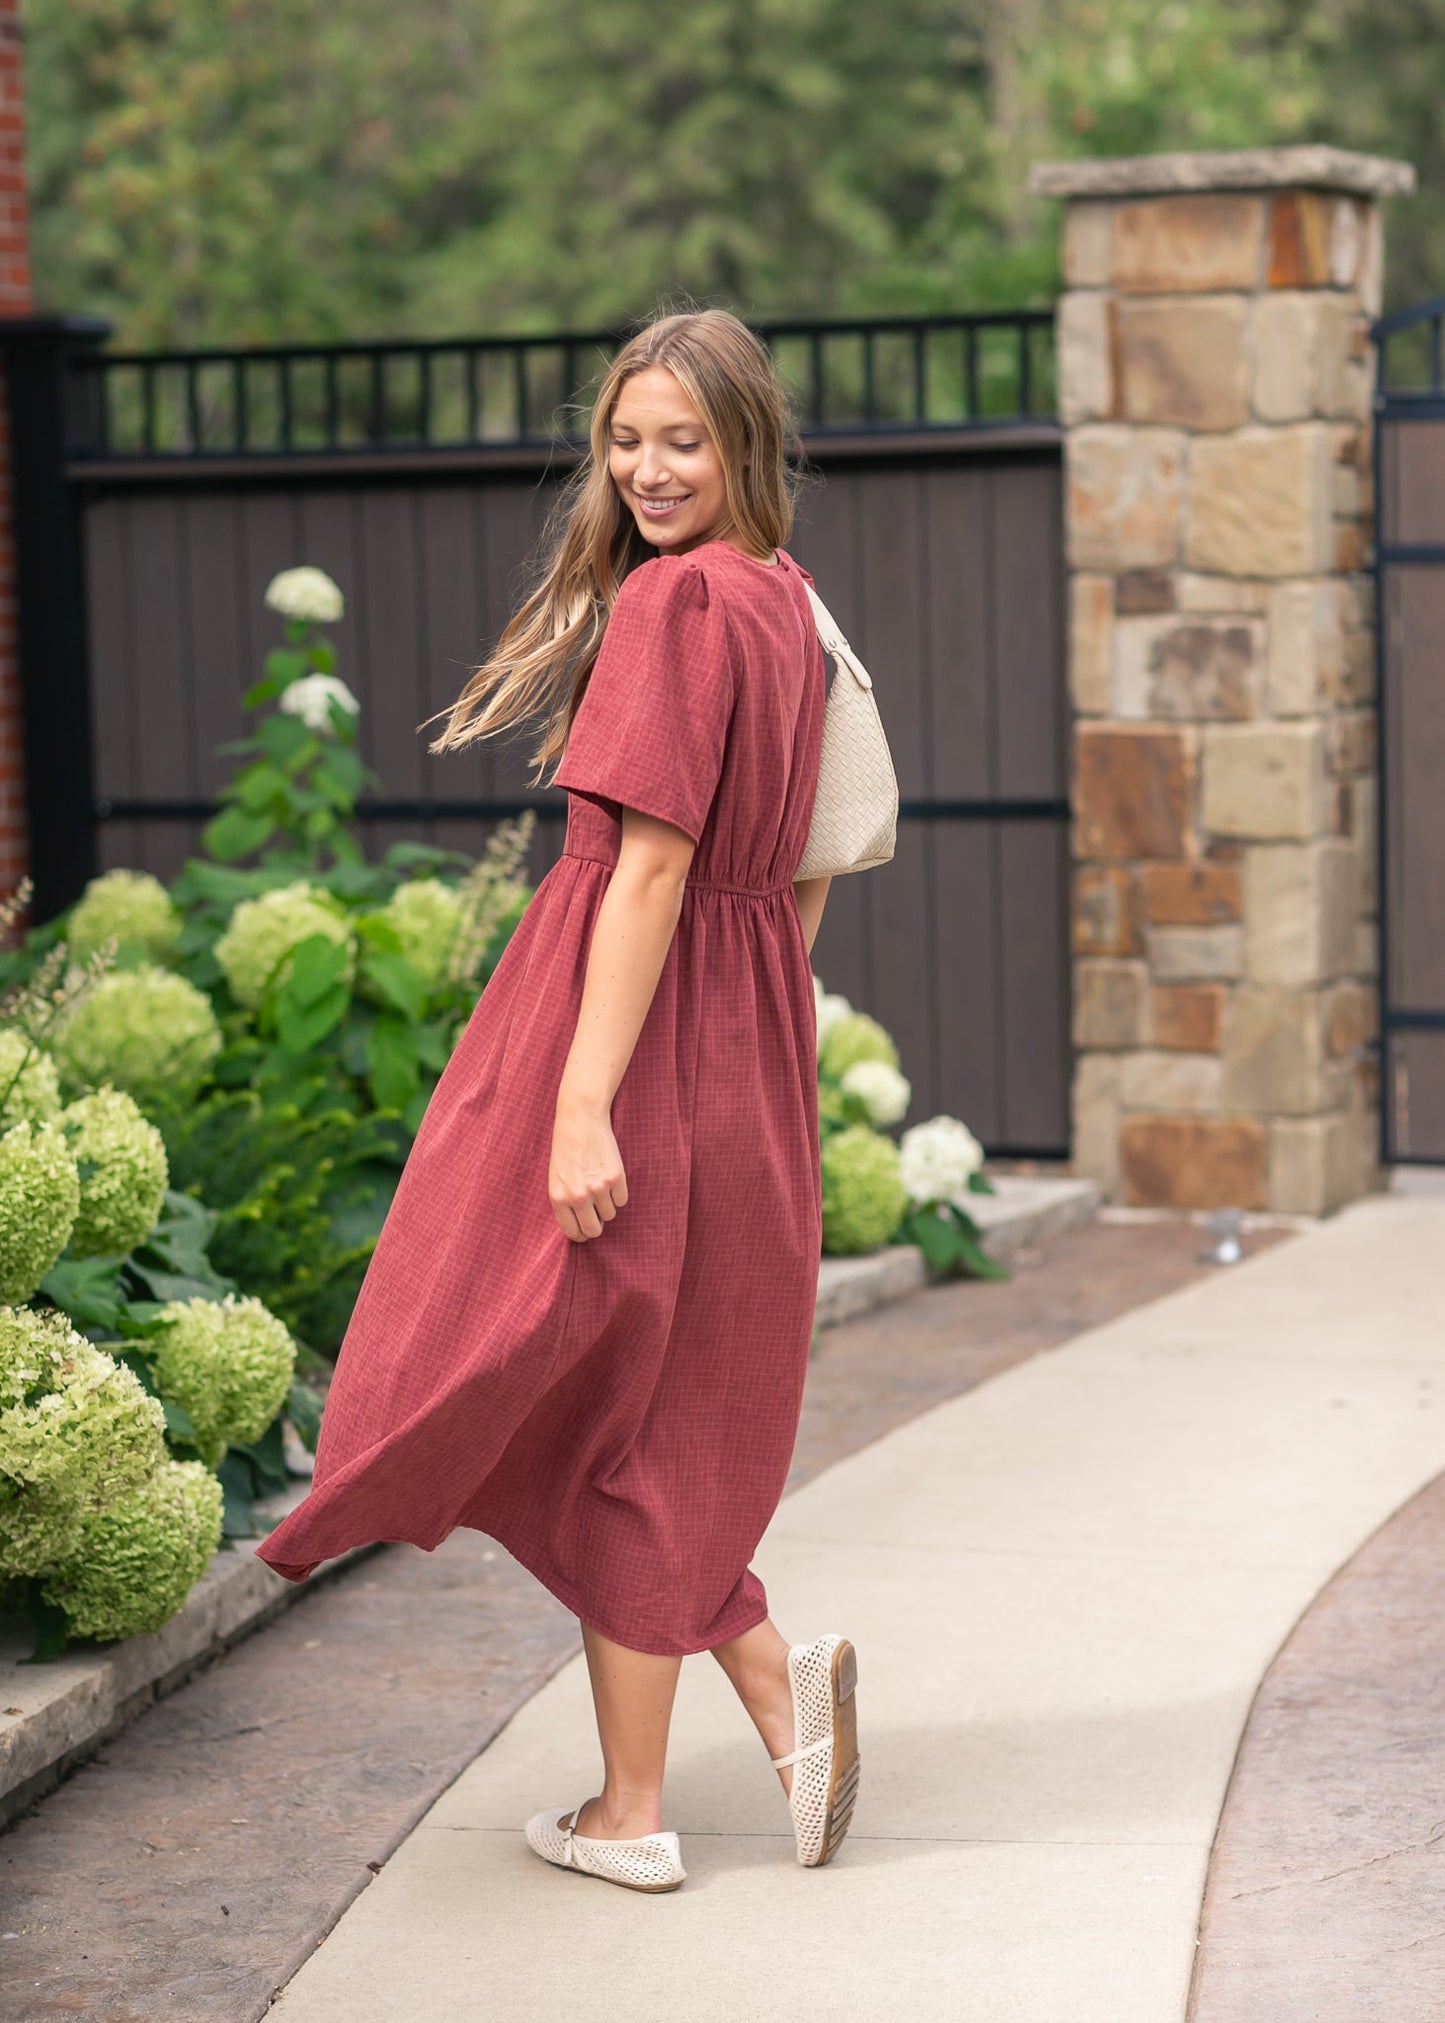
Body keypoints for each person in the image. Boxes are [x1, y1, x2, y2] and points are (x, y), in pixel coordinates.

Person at [255, 306, 859, 1893]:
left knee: (498, 1347)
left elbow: (648, 866)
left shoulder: (673, 608)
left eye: (684, 441)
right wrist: (758, 1033)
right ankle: (700, 1747)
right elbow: (801, 869)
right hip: (735, 1032)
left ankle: (658, 1788)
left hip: (629, 1027)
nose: (649, 469)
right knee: (640, 1412)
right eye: (625, 438)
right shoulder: (789, 607)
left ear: (746, 448)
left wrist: (583, 1100)